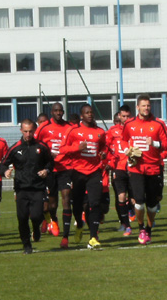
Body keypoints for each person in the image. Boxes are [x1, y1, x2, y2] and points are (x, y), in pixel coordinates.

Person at [122, 94, 167, 245]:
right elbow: (124, 140)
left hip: (154, 168)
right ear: (137, 107)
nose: (146, 108)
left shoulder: (158, 124)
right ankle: (141, 228)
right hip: (136, 168)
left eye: (148, 105)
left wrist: (156, 144)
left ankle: (149, 229)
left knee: (152, 205)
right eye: (143, 105)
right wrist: (127, 151)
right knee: (139, 201)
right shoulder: (129, 124)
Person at [0, 119, 53, 254]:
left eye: (30, 131)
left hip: (38, 188)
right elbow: (2, 164)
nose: (28, 134)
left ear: (34, 131)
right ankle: (26, 245)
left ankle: (36, 228)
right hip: (21, 188)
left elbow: (51, 163)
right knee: (22, 217)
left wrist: (46, 171)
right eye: (25, 131)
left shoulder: (42, 147)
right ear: (21, 131)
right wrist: (5, 171)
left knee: (36, 216)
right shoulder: (15, 147)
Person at [60, 104, 107, 250]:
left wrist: (104, 154)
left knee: (95, 203)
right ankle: (79, 224)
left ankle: (93, 237)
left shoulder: (100, 132)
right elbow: (62, 149)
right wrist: (77, 148)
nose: (90, 115)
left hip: (94, 172)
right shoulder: (73, 130)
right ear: (81, 115)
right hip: (78, 172)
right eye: (87, 113)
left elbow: (104, 146)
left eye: (91, 112)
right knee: (78, 205)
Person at [34, 102, 73, 248]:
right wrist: (45, 155)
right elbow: (36, 144)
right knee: (52, 203)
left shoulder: (69, 127)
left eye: (60, 110)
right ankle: (53, 219)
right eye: (55, 110)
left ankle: (66, 236)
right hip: (50, 169)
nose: (58, 113)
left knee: (66, 198)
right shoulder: (44, 127)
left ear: (63, 112)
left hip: (65, 168)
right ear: (52, 112)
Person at [106, 105, 132, 236]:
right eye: (123, 116)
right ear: (119, 117)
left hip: (133, 167)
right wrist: (110, 159)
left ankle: (134, 219)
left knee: (134, 200)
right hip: (119, 167)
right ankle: (126, 225)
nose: (126, 119)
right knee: (121, 196)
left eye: (128, 116)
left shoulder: (135, 128)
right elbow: (105, 147)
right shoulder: (112, 131)